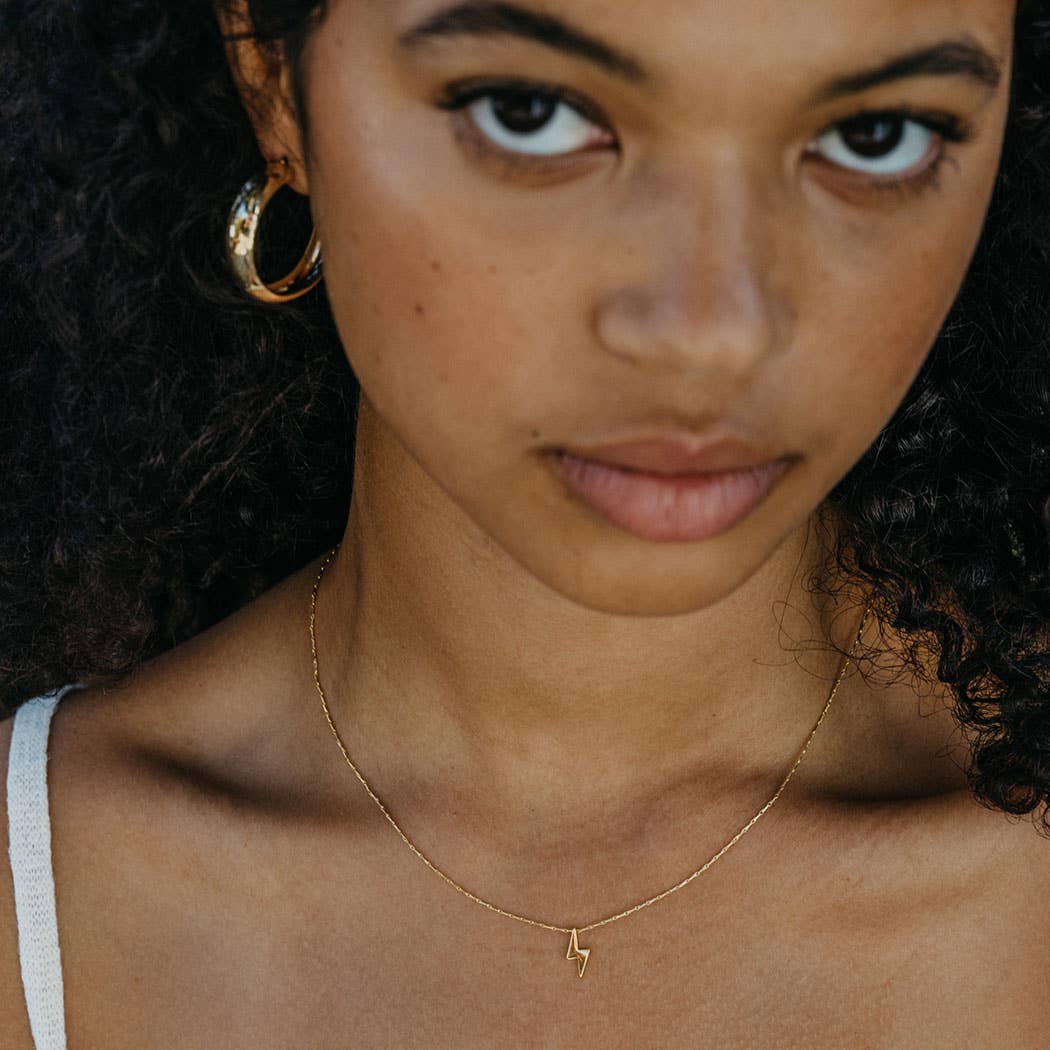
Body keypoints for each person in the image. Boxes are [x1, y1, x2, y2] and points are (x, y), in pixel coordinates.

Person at [2, 0, 1049, 1045]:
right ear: (272, 75)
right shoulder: (37, 908)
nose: (712, 332)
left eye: (874, 136)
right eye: (530, 112)